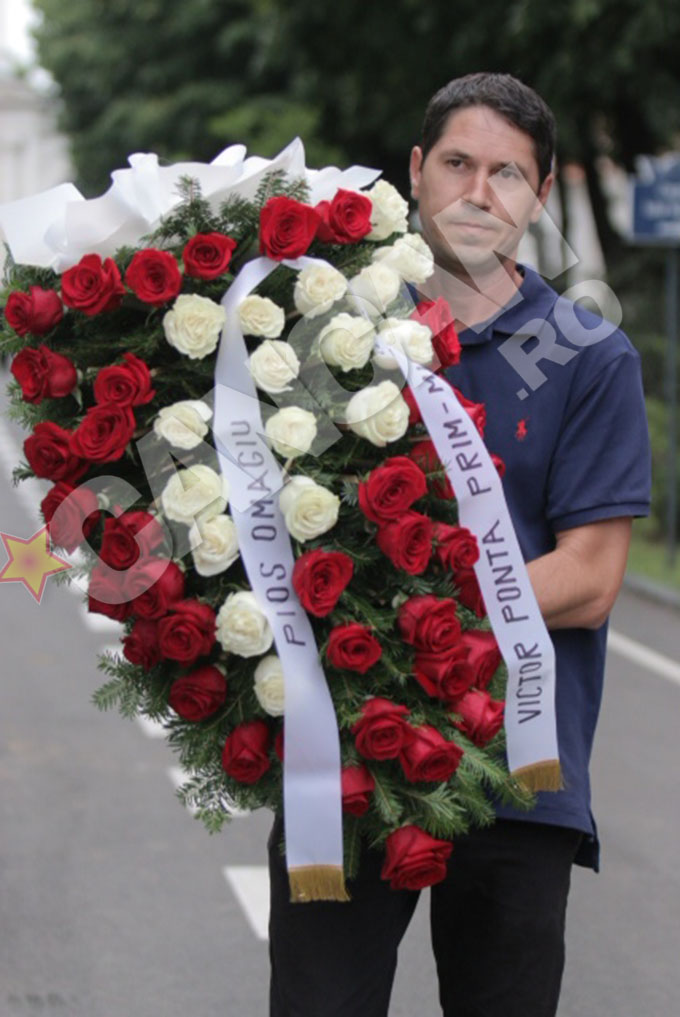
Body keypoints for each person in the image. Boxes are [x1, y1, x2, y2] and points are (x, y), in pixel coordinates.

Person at [267, 72, 652, 1017]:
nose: (480, 192)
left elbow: (592, 578)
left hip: (517, 766)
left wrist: (412, 620)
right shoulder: (326, 332)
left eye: (508, 174)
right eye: (458, 164)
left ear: (541, 195)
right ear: (415, 171)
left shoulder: (588, 355)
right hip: (350, 758)